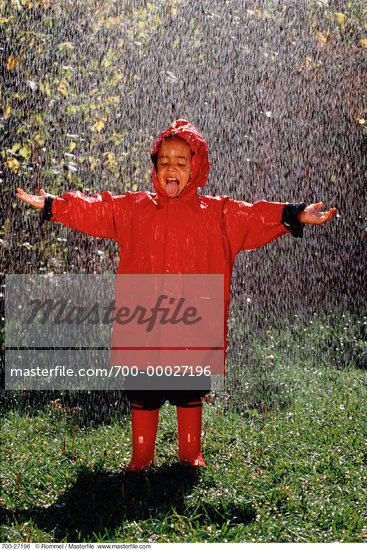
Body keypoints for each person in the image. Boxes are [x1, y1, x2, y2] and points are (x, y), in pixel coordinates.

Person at [16, 119, 336, 470]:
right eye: (164, 161)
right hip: (144, 324)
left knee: (189, 390)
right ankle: (141, 456)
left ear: (196, 169)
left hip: (191, 327)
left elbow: (253, 216)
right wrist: (54, 205)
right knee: (143, 393)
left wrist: (293, 214)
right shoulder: (135, 208)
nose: (172, 168)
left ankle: (190, 453)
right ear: (154, 167)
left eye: (182, 163)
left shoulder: (216, 214)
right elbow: (97, 208)